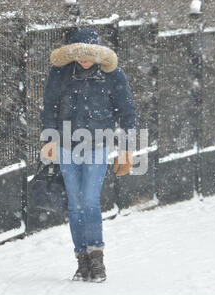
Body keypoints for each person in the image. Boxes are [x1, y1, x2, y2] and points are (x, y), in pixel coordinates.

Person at [40, 28, 137, 282]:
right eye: (79, 55)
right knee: (75, 204)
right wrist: (49, 139)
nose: (84, 60)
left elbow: (127, 112)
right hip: (65, 146)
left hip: (97, 146)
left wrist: (126, 149)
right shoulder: (60, 73)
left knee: (90, 202)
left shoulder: (112, 75)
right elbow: (49, 106)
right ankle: (81, 260)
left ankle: (97, 260)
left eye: (89, 55)